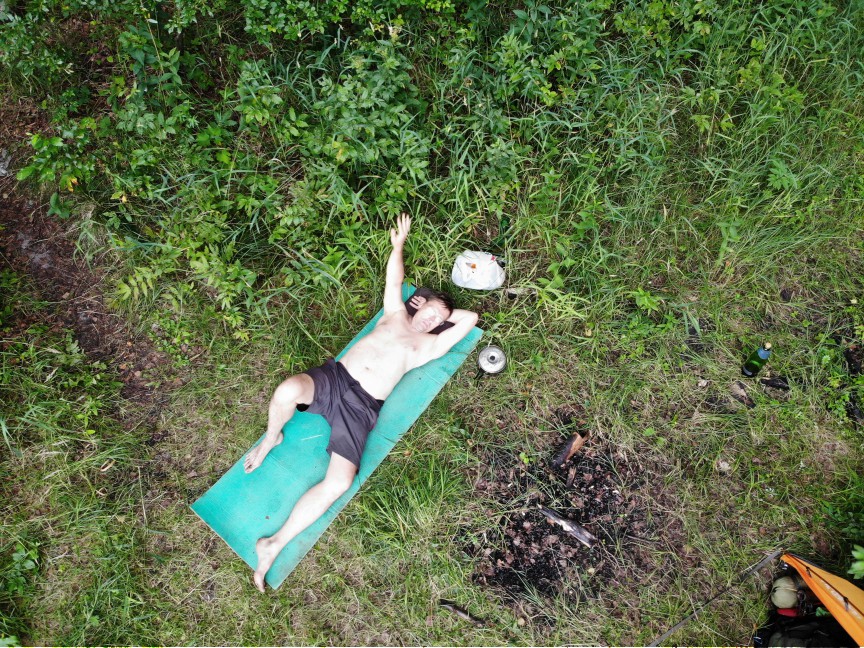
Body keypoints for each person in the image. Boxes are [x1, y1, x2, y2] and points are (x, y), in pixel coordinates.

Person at [244, 213, 479, 592]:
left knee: (340, 482)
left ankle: (273, 544)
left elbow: (472, 317)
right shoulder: (393, 313)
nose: (431, 319)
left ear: (440, 325)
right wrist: (398, 245)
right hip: (335, 379)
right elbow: (394, 281)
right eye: (429, 311)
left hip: (361, 408)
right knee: (287, 390)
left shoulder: (428, 347)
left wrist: (444, 314)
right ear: (418, 305)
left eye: (438, 319)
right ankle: (272, 438)